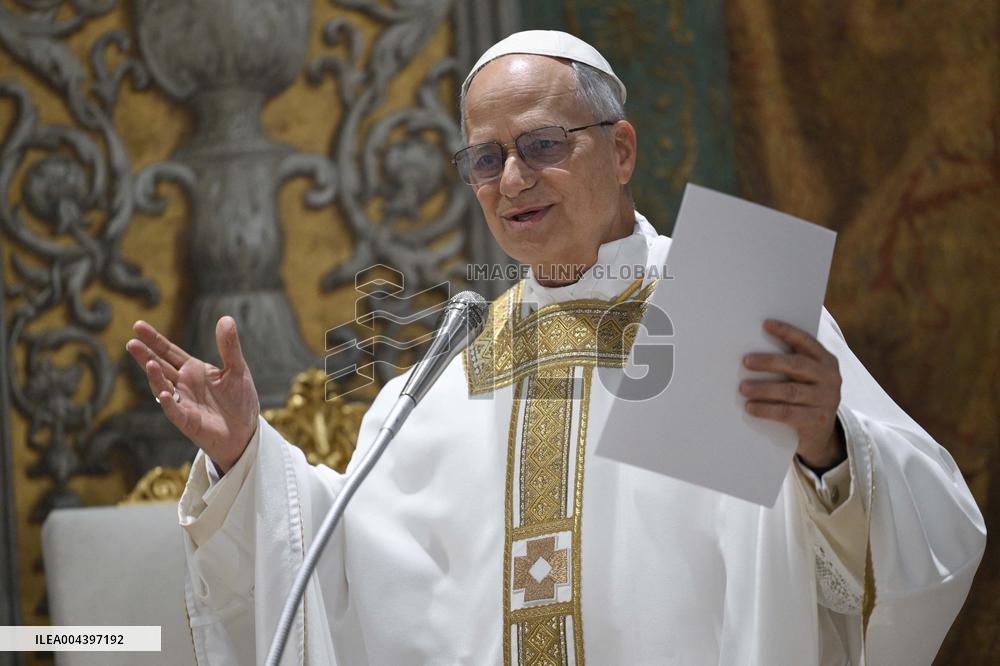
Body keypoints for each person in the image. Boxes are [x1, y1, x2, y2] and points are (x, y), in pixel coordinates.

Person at [127, 31, 984, 665]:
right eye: (486, 158)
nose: (512, 181)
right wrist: (245, 457)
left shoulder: (732, 309)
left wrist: (827, 448)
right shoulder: (447, 366)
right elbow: (342, 570)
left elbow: (933, 524)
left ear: (619, 148)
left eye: (541, 146)